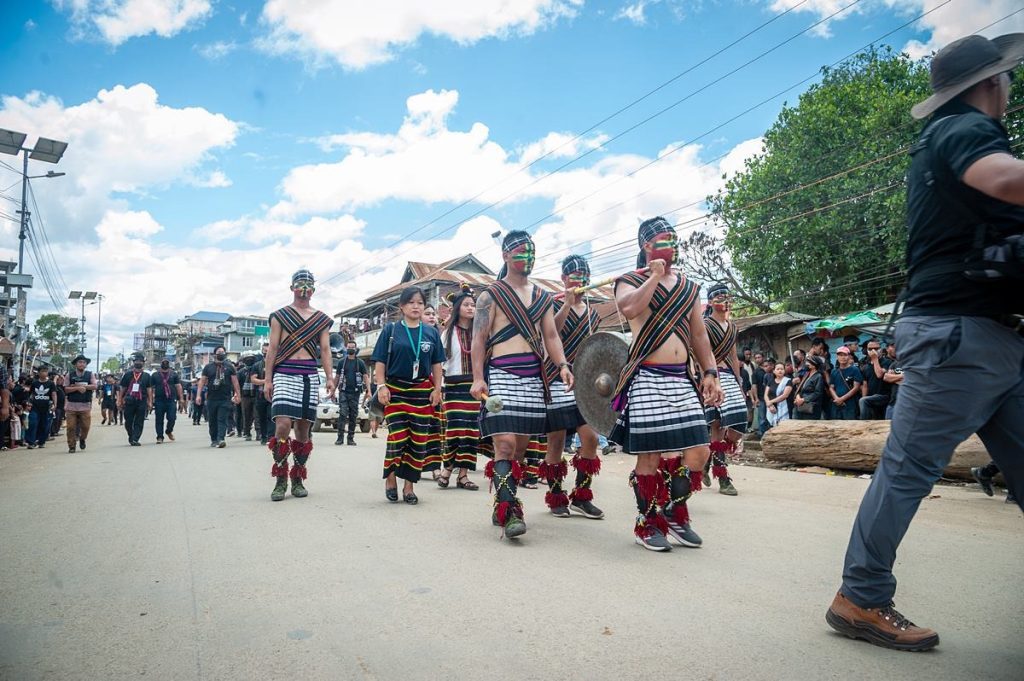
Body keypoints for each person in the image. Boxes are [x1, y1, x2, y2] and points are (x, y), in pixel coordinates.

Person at [828, 34, 1024, 652]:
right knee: (908, 469)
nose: (1011, 87)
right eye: (1007, 79)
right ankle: (860, 596)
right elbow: (998, 176)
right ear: (991, 83)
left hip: (990, 337)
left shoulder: (951, 132)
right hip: (956, 336)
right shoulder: (961, 130)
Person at [608, 217, 722, 552]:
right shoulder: (628, 280)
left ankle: (674, 511)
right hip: (646, 378)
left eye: (674, 239)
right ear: (647, 246)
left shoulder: (688, 286)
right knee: (651, 456)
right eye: (663, 239)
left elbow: (699, 334)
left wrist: (710, 372)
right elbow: (628, 308)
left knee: (699, 452)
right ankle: (647, 523)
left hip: (681, 380)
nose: (671, 245)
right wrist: (655, 276)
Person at [471, 230, 574, 539]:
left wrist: (563, 365)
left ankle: (501, 500)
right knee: (505, 445)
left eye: (531, 252)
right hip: (501, 376)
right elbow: (479, 338)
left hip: (533, 379)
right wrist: (478, 377)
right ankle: (511, 510)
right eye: (520, 251)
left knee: (519, 453)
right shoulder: (491, 294)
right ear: (505, 255)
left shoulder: (543, 296)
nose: (526, 257)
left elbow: (551, 336)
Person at [538, 255, 604, 519]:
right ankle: (556, 496)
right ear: (564, 278)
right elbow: (551, 333)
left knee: (591, 438)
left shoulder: (593, 314)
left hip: (584, 381)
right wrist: (566, 303)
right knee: (555, 441)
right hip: (556, 378)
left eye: (584, 276)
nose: (580, 281)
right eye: (575, 276)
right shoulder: (552, 305)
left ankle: (581, 495)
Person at [264, 269, 335, 502]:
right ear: (292, 287)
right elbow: (273, 348)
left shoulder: (321, 319)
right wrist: (268, 379)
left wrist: (330, 377)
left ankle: (297, 478)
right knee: (283, 424)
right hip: (284, 373)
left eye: (308, 284)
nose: (304, 288)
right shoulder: (280, 316)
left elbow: (324, 349)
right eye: (300, 284)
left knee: (303, 429)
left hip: (308, 374)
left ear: (314, 289)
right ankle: (280, 478)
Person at [372, 286, 445, 504]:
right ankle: (391, 478)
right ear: (402, 306)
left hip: (421, 392)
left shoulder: (431, 332)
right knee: (399, 437)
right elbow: (379, 362)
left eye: (420, 303)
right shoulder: (391, 330)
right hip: (395, 391)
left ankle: (409, 486)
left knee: (417, 440)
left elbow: (437, 364)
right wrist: (381, 386)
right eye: (411, 302)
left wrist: (437, 388)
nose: (416, 306)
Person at [700, 283, 746, 496]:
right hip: (714, 376)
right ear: (710, 302)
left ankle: (709, 460)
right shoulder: (705, 325)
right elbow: (704, 355)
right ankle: (723, 477)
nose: (724, 300)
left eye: (726, 296)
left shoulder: (733, 327)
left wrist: (739, 382)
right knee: (717, 427)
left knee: (738, 424)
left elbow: (734, 357)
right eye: (718, 297)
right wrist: (709, 381)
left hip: (729, 377)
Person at [437, 284, 481, 490]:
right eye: (466, 305)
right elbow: (440, 363)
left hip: (474, 387)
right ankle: (447, 469)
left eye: (473, 305)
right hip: (454, 387)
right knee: (455, 429)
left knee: (471, 431)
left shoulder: (480, 333)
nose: (471, 308)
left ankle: (463, 475)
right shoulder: (447, 333)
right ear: (457, 308)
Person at [195, 346, 241, 448]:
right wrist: (198, 395)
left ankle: (221, 439)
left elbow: (235, 382)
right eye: (219, 352)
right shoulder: (208, 367)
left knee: (222, 419)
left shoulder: (230, 367)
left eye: (223, 352)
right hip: (211, 398)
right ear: (215, 354)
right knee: (212, 420)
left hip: (225, 398)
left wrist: (238, 394)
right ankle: (214, 439)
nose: (221, 353)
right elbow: (202, 381)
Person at [334, 340, 369, 446]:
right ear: (346, 347)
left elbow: (366, 377)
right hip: (343, 391)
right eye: (349, 347)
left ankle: (350, 438)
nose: (350, 349)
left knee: (353, 415)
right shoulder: (341, 362)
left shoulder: (360, 363)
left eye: (352, 347)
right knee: (343, 414)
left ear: (356, 348)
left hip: (355, 392)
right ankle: (340, 438)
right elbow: (337, 377)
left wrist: (369, 390)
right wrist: (332, 391)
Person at [117, 353, 152, 446]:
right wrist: (119, 400)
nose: (138, 362)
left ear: (143, 363)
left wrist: (150, 401)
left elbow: (149, 389)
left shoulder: (147, 376)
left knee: (140, 420)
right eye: (137, 361)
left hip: (142, 400)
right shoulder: (127, 375)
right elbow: (123, 388)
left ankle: (135, 438)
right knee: (128, 420)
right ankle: (131, 434)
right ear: (133, 362)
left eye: (140, 361)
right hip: (129, 400)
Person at [64, 355, 96, 453]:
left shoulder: (90, 374)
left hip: (85, 405)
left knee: (86, 427)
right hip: (71, 406)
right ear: (75, 364)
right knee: (70, 427)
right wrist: (77, 388)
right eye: (80, 362)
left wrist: (83, 387)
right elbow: (66, 389)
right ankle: (72, 446)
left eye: (83, 362)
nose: (82, 364)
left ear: (86, 365)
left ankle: (82, 439)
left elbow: (94, 386)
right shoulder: (70, 375)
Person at [857, 338, 891, 420]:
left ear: (881, 349)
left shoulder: (887, 362)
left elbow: (879, 374)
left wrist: (875, 359)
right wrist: (863, 399)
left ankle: (863, 423)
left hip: (884, 397)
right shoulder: (865, 367)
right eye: (870, 349)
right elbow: (865, 385)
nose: (873, 351)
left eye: (876, 349)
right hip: (871, 399)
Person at [152, 359, 184, 443]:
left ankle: (169, 431)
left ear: (169, 364)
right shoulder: (155, 375)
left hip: (171, 399)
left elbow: (178, 386)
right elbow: (150, 388)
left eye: (166, 363)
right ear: (161, 364)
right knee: (159, 419)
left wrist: (181, 398)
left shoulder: (174, 374)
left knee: (172, 418)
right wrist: (150, 399)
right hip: (159, 400)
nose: (165, 364)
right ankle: (160, 437)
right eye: (163, 363)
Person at [829, 346, 863, 420]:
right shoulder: (834, 371)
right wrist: (837, 399)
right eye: (840, 355)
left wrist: (842, 399)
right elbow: (831, 387)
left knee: (850, 427)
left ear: (849, 356)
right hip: (836, 404)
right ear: (837, 357)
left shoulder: (855, 370)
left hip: (850, 404)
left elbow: (856, 387)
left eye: (845, 355)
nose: (843, 357)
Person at [27, 366, 57, 449]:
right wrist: (29, 403)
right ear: (39, 373)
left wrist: (55, 404)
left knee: (45, 425)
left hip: (47, 407)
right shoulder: (35, 383)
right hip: (35, 407)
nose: (44, 373)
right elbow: (31, 394)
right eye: (43, 371)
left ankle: (41, 441)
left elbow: (54, 394)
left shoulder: (51, 383)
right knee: (33, 423)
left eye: (46, 371)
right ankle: (31, 442)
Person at [250, 343, 272, 444]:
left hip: (273, 394)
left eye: (268, 350)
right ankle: (263, 436)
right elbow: (253, 379)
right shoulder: (257, 365)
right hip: (260, 395)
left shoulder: (276, 364)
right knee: (262, 416)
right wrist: (266, 381)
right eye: (265, 351)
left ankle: (271, 437)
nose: (266, 353)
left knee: (271, 416)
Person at [237, 352, 259, 441]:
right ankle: (247, 432)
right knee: (246, 415)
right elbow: (237, 385)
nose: (249, 360)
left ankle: (259, 433)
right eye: (247, 359)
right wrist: (236, 395)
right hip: (245, 396)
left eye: (251, 359)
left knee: (257, 415)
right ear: (244, 361)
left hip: (256, 394)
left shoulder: (256, 370)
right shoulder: (241, 372)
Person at [764, 362, 793, 428]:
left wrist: (770, 402)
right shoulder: (771, 381)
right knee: (771, 428)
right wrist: (769, 405)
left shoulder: (788, 381)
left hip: (784, 409)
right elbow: (766, 394)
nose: (780, 370)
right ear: (774, 371)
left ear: (784, 371)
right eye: (778, 369)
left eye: (782, 369)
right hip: (771, 408)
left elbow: (785, 395)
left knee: (784, 428)